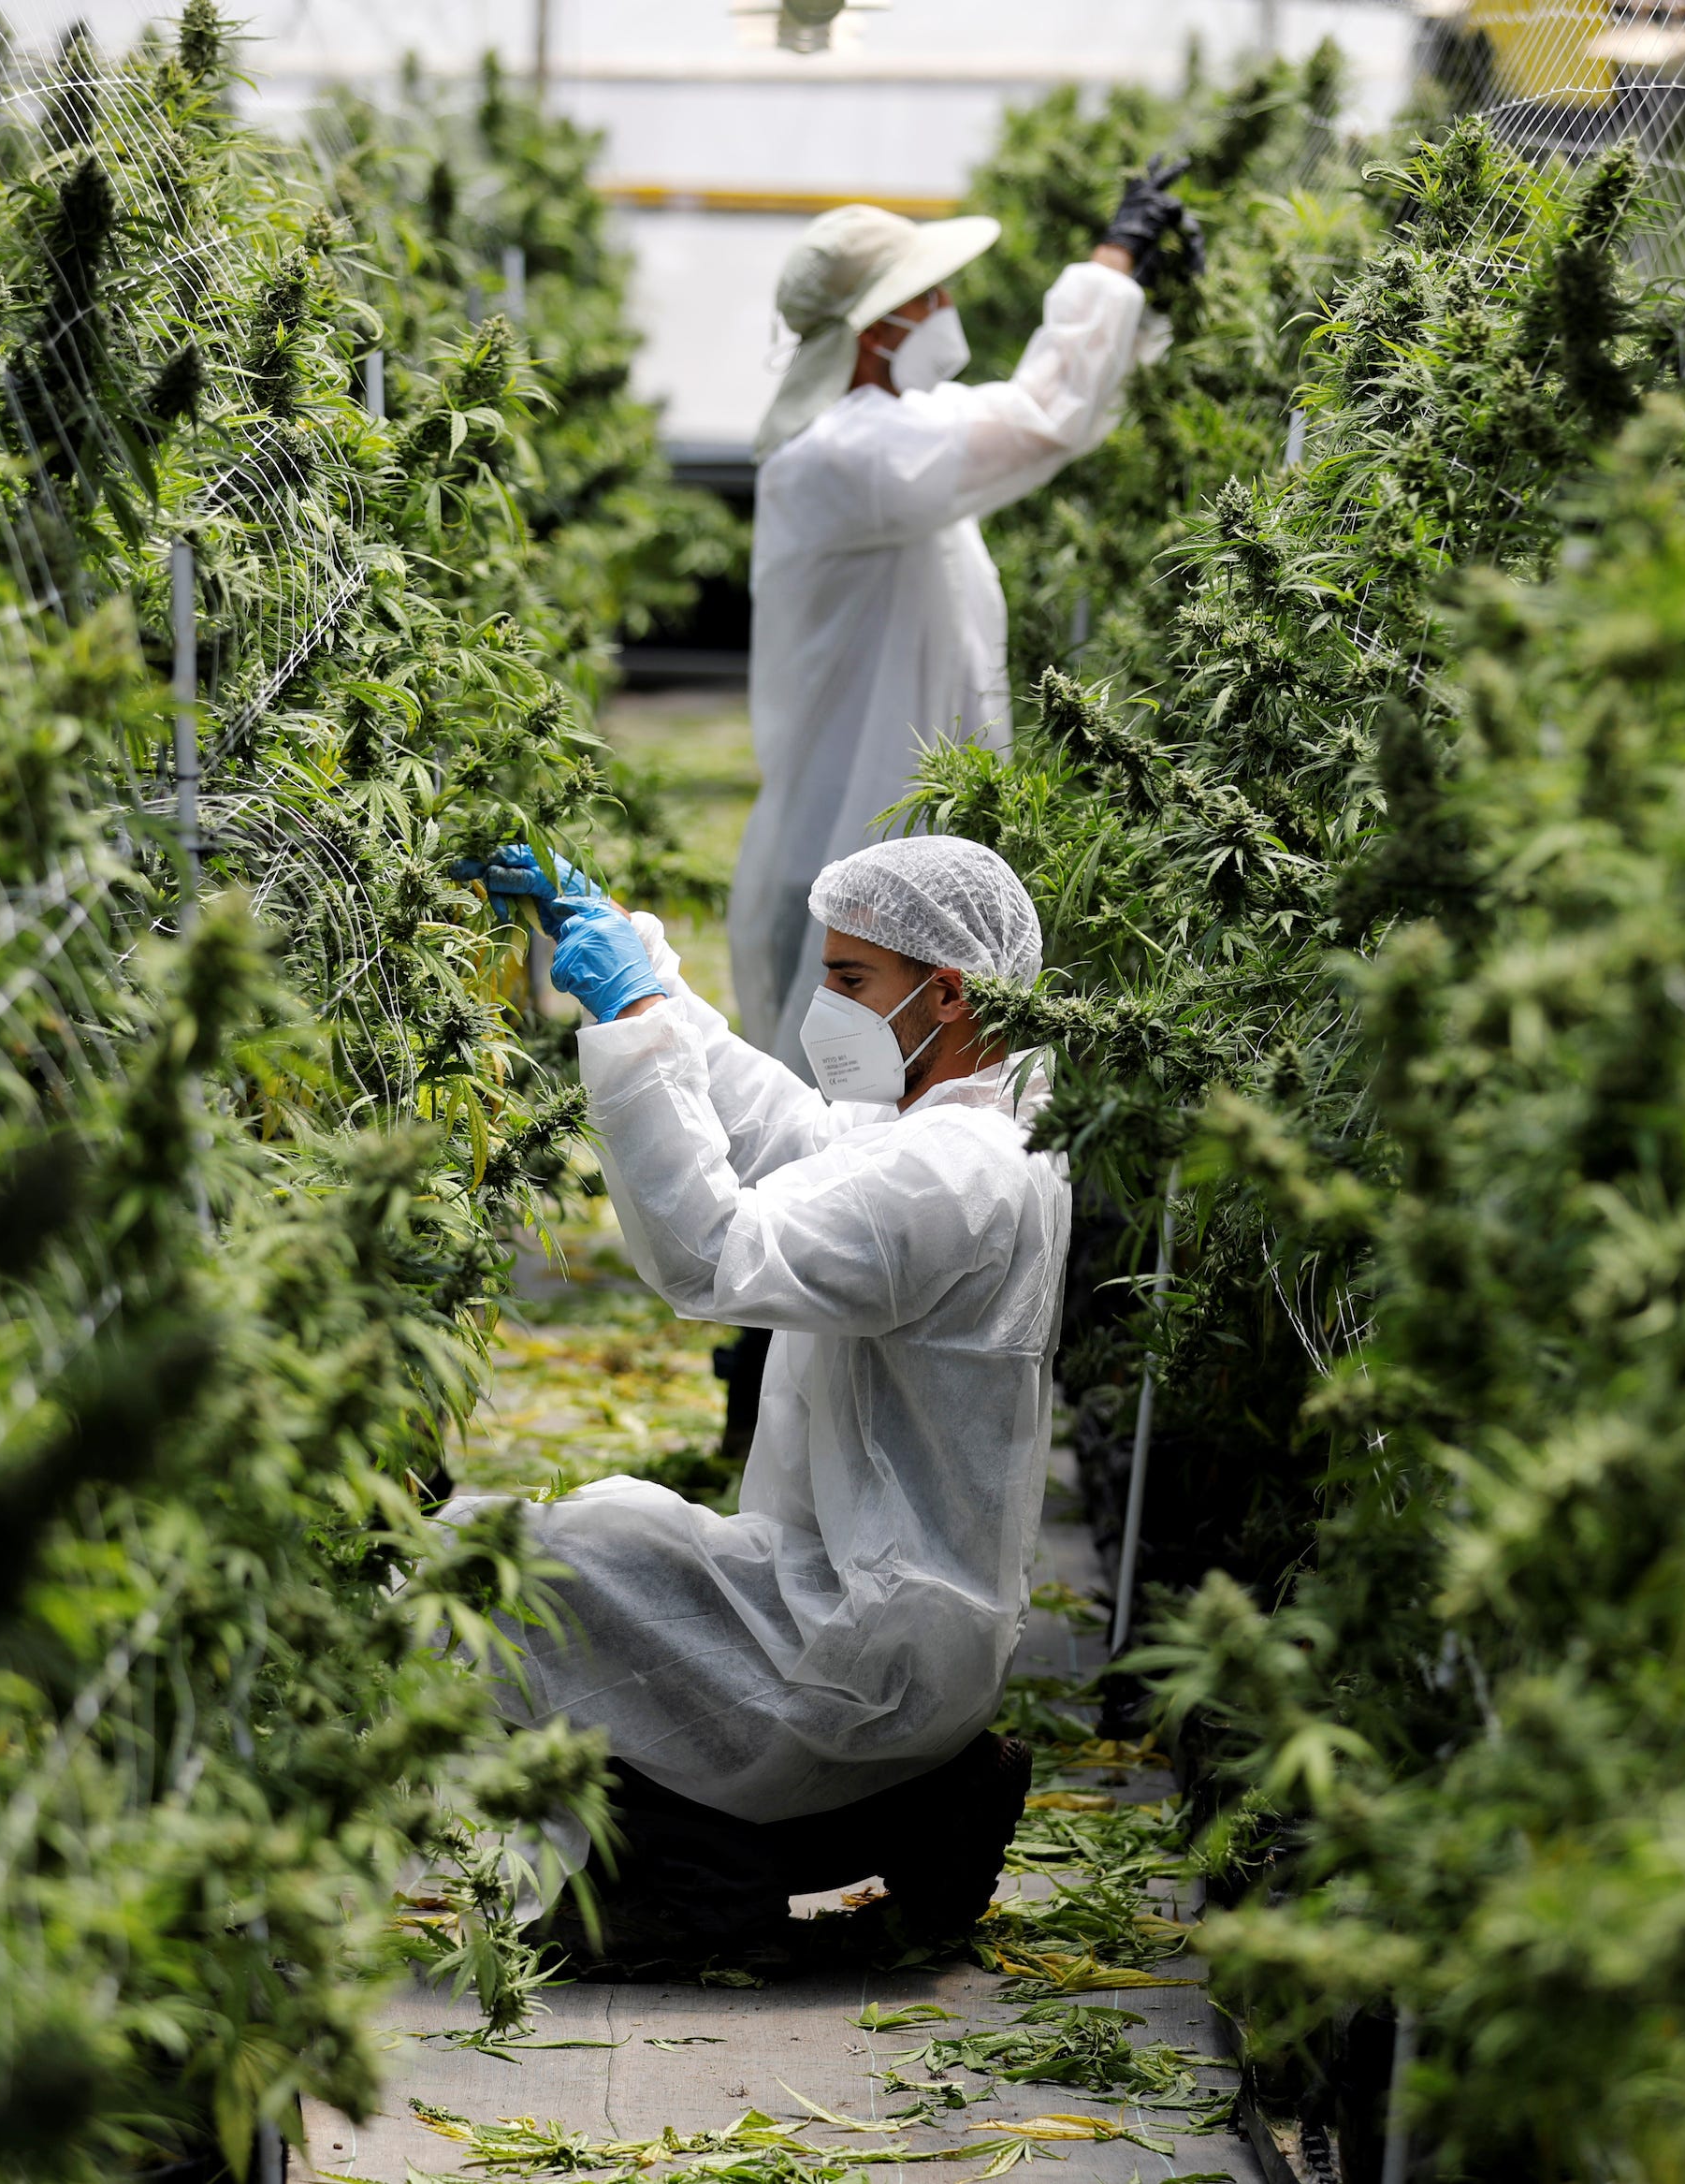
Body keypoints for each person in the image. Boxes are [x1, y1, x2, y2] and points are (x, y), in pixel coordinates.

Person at [447, 836, 1068, 1973]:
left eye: (849, 983)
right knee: (589, 1552)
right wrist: (644, 970)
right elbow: (790, 1139)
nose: (824, 1009)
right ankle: (909, 1802)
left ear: (946, 992)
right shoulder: (963, 1123)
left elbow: (716, 1253)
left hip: (864, 1646)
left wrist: (630, 1025)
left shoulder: (951, 1176)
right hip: (901, 1620)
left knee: (491, 1579)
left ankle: (702, 1875)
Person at [731, 163, 1200, 1075]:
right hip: (854, 834)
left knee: (885, 1078)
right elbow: (1039, 418)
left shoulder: (891, 430)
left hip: (882, 822)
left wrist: (1142, 305)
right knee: (842, 1088)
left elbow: (1054, 414)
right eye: (926, 293)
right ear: (878, 327)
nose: (944, 303)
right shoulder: (846, 456)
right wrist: (1110, 264)